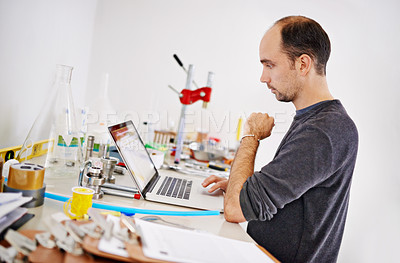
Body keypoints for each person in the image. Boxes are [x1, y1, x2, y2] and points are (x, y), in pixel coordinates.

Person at [202, 16, 358, 263]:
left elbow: (234, 210)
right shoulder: (315, 120)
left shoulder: (324, 131)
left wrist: (251, 136)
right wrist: (237, 187)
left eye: (270, 65)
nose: (263, 77)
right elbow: (283, 192)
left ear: (303, 64)